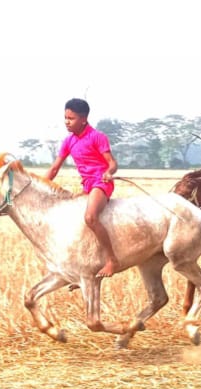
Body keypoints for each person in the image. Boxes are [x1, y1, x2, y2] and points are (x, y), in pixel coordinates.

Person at [46, 98, 119, 278]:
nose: (66, 122)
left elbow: (112, 163)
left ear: (84, 119)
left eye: (71, 118)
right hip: (87, 186)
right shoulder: (68, 141)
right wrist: (39, 186)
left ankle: (112, 260)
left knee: (90, 217)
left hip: (101, 183)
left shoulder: (97, 137)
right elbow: (55, 168)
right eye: (65, 117)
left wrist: (109, 172)